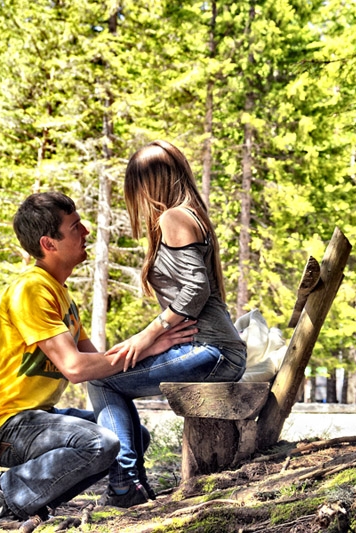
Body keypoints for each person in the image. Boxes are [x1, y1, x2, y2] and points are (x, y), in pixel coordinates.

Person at [0, 191, 196, 522]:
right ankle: (6, 492)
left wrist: (153, 346)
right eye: (75, 226)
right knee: (100, 444)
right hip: (5, 427)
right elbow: (76, 368)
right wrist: (146, 345)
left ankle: (44, 500)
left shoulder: (60, 292)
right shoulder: (31, 289)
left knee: (132, 437)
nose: (87, 231)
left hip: (37, 418)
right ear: (49, 244)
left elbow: (99, 364)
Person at [88, 140, 247, 508]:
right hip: (215, 350)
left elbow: (196, 286)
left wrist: (150, 333)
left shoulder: (174, 217)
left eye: (136, 187)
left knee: (99, 377)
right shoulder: (190, 214)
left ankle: (127, 485)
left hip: (213, 351)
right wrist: (156, 337)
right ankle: (129, 485)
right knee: (108, 373)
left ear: (151, 183)